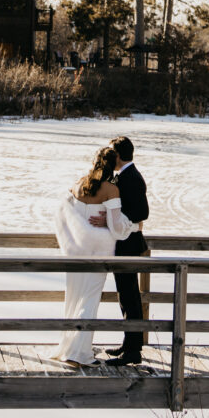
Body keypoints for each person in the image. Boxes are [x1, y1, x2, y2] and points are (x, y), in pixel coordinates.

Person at [49, 145, 139, 366]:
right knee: (89, 299)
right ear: (112, 165)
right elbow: (118, 228)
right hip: (98, 251)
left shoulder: (80, 184)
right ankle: (78, 353)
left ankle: (70, 345)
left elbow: (64, 210)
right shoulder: (110, 189)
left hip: (77, 251)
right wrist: (133, 226)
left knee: (73, 297)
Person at [105, 135, 149, 365]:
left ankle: (134, 351)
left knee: (130, 296)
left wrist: (117, 221)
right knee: (126, 295)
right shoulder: (125, 176)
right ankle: (129, 343)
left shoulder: (131, 177)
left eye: (112, 152)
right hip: (125, 244)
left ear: (119, 155)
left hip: (129, 245)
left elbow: (142, 212)